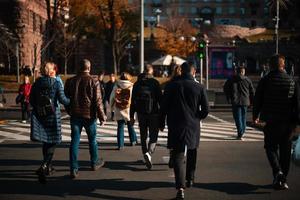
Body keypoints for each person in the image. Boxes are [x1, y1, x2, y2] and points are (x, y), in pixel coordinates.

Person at [160, 62, 209, 200]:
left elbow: (164, 106)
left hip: (176, 123)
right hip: (193, 124)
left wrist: (161, 122)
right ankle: (190, 179)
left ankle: (180, 188)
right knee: (192, 150)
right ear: (193, 72)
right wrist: (197, 117)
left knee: (177, 155)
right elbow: (206, 110)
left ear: (181, 71)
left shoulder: (172, 86)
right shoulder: (199, 87)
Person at [253, 54, 298, 190]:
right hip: (288, 122)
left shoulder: (265, 80)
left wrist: (256, 116)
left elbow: (257, 99)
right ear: (283, 65)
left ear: (270, 66)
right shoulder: (291, 81)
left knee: (271, 147)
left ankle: (277, 171)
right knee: (285, 150)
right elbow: (297, 103)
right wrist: (297, 122)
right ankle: (282, 178)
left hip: (270, 120)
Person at [65, 59, 106, 179]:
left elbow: (66, 99)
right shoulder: (94, 81)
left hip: (75, 115)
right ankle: (94, 162)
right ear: (89, 67)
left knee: (74, 141)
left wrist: (70, 110)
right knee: (92, 140)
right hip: (90, 116)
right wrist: (102, 116)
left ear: (79, 67)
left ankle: (73, 168)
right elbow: (98, 101)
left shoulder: (71, 81)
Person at [30, 62, 70, 184]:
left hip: (41, 116)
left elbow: (31, 99)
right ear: (51, 71)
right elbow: (63, 100)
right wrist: (71, 100)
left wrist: (39, 108)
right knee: (53, 142)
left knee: (46, 141)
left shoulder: (37, 83)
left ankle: (48, 167)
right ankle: (44, 166)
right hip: (53, 116)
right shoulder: (56, 83)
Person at [130, 64, 162, 170]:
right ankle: (149, 152)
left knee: (143, 136)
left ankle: (145, 154)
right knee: (153, 135)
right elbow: (160, 100)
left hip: (141, 113)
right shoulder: (155, 83)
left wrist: (132, 116)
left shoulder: (137, 84)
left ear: (144, 71)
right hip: (153, 113)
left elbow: (132, 102)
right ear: (151, 71)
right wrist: (162, 115)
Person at [223, 65, 255, 140]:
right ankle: (242, 131)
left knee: (237, 118)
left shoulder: (231, 79)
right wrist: (252, 101)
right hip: (245, 101)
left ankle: (240, 133)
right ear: (243, 72)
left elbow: (225, 88)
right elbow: (252, 92)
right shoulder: (247, 80)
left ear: (236, 71)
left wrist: (229, 97)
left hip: (235, 101)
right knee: (243, 117)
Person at [110, 72, 137, 150]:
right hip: (128, 109)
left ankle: (120, 145)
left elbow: (112, 98)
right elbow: (134, 99)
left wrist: (111, 108)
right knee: (130, 125)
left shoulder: (116, 86)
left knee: (120, 127)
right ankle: (133, 141)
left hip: (119, 109)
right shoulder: (131, 86)